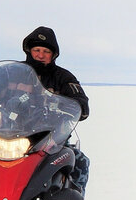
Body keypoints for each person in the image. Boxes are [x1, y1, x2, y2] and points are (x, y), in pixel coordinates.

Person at [20, 26, 92, 191]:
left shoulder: (63, 77)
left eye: (46, 51)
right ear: (29, 50)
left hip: (52, 141)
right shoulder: (10, 73)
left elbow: (82, 103)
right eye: (37, 49)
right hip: (9, 137)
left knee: (80, 161)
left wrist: (67, 106)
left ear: (53, 54)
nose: (40, 55)